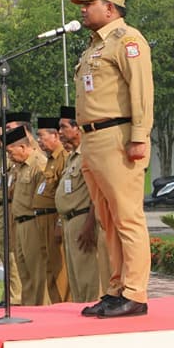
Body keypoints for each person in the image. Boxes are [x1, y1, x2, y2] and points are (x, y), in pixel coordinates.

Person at [71, 0, 153, 318]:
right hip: (91, 139)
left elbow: (141, 91)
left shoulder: (127, 40)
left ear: (110, 7)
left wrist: (139, 136)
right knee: (107, 218)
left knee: (127, 217)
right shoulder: (94, 45)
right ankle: (116, 289)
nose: (83, 9)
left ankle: (135, 292)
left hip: (117, 136)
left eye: (89, 3)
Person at [56, 106, 109, 302]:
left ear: (77, 128)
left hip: (83, 220)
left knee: (89, 279)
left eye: (63, 127)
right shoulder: (72, 157)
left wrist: (89, 224)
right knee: (76, 279)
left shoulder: (88, 153)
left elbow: (97, 192)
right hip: (70, 222)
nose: (60, 132)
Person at [0, 111, 30, 307]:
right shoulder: (3, 158)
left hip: (11, 209)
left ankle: (15, 298)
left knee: (13, 255)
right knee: (5, 255)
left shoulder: (21, 156)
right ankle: (9, 295)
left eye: (5, 131)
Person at [5, 126, 48, 305]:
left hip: (33, 223)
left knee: (38, 273)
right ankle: (28, 309)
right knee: (25, 273)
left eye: (10, 151)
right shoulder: (19, 167)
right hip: (20, 224)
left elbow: (42, 199)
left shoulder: (39, 164)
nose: (9, 156)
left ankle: (42, 311)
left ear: (22, 147)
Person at [33, 116, 69, 303]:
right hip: (42, 220)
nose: (39, 140)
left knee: (60, 270)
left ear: (55, 136)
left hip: (53, 218)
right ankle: (55, 306)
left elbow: (63, 195)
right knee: (49, 268)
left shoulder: (64, 158)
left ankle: (65, 305)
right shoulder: (49, 160)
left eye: (41, 136)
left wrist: (60, 223)